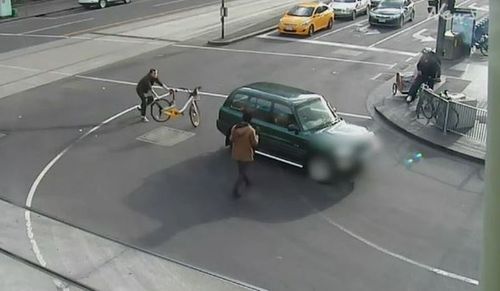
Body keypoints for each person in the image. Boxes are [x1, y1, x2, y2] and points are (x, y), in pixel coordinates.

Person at [230, 111, 259, 199]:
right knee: (242, 172)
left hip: (236, 152)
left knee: (241, 169)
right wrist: (257, 136)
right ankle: (235, 189)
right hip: (246, 154)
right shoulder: (251, 130)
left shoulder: (235, 128)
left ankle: (247, 181)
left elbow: (231, 139)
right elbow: (254, 143)